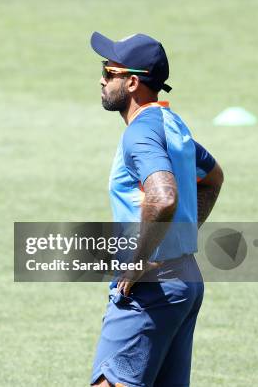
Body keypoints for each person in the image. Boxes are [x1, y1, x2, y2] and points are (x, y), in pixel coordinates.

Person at [89, 32, 224, 386]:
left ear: (132, 82)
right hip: (185, 280)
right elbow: (212, 178)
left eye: (109, 70)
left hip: (151, 287)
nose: (102, 78)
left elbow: (163, 196)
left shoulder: (140, 133)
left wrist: (137, 261)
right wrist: (181, 235)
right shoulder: (172, 124)